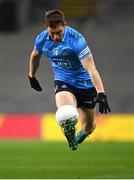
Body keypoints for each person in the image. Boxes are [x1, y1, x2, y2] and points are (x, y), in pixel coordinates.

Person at [28, 9, 111, 150]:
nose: (55, 37)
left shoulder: (76, 40)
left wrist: (101, 93)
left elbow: (91, 68)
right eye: (51, 33)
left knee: (89, 127)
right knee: (65, 114)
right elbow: (35, 55)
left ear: (65, 24)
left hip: (85, 84)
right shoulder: (42, 39)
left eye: (58, 32)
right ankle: (70, 136)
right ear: (45, 27)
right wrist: (31, 75)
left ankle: (82, 135)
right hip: (63, 81)